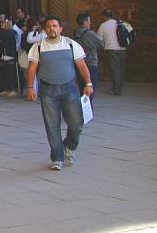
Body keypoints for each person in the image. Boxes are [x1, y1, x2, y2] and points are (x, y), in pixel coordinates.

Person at [25, 17, 94, 170]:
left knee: (77, 123)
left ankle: (69, 146)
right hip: (48, 90)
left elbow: (82, 65)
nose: (52, 29)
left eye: (55, 26)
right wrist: (30, 88)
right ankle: (57, 157)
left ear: (60, 29)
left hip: (70, 88)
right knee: (52, 125)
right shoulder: (38, 46)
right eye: (49, 26)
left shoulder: (70, 44)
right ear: (45, 30)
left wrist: (88, 83)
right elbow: (32, 68)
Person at [72, 13, 103, 103]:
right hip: (90, 63)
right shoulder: (89, 33)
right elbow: (101, 43)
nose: (90, 23)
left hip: (79, 63)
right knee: (89, 91)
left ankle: (83, 108)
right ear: (84, 22)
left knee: (82, 89)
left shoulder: (75, 32)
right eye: (89, 21)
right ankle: (87, 110)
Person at [97, 9, 125, 95]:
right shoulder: (120, 23)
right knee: (121, 69)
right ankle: (119, 87)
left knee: (115, 70)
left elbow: (99, 39)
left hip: (111, 49)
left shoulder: (103, 25)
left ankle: (116, 90)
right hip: (123, 49)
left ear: (104, 16)